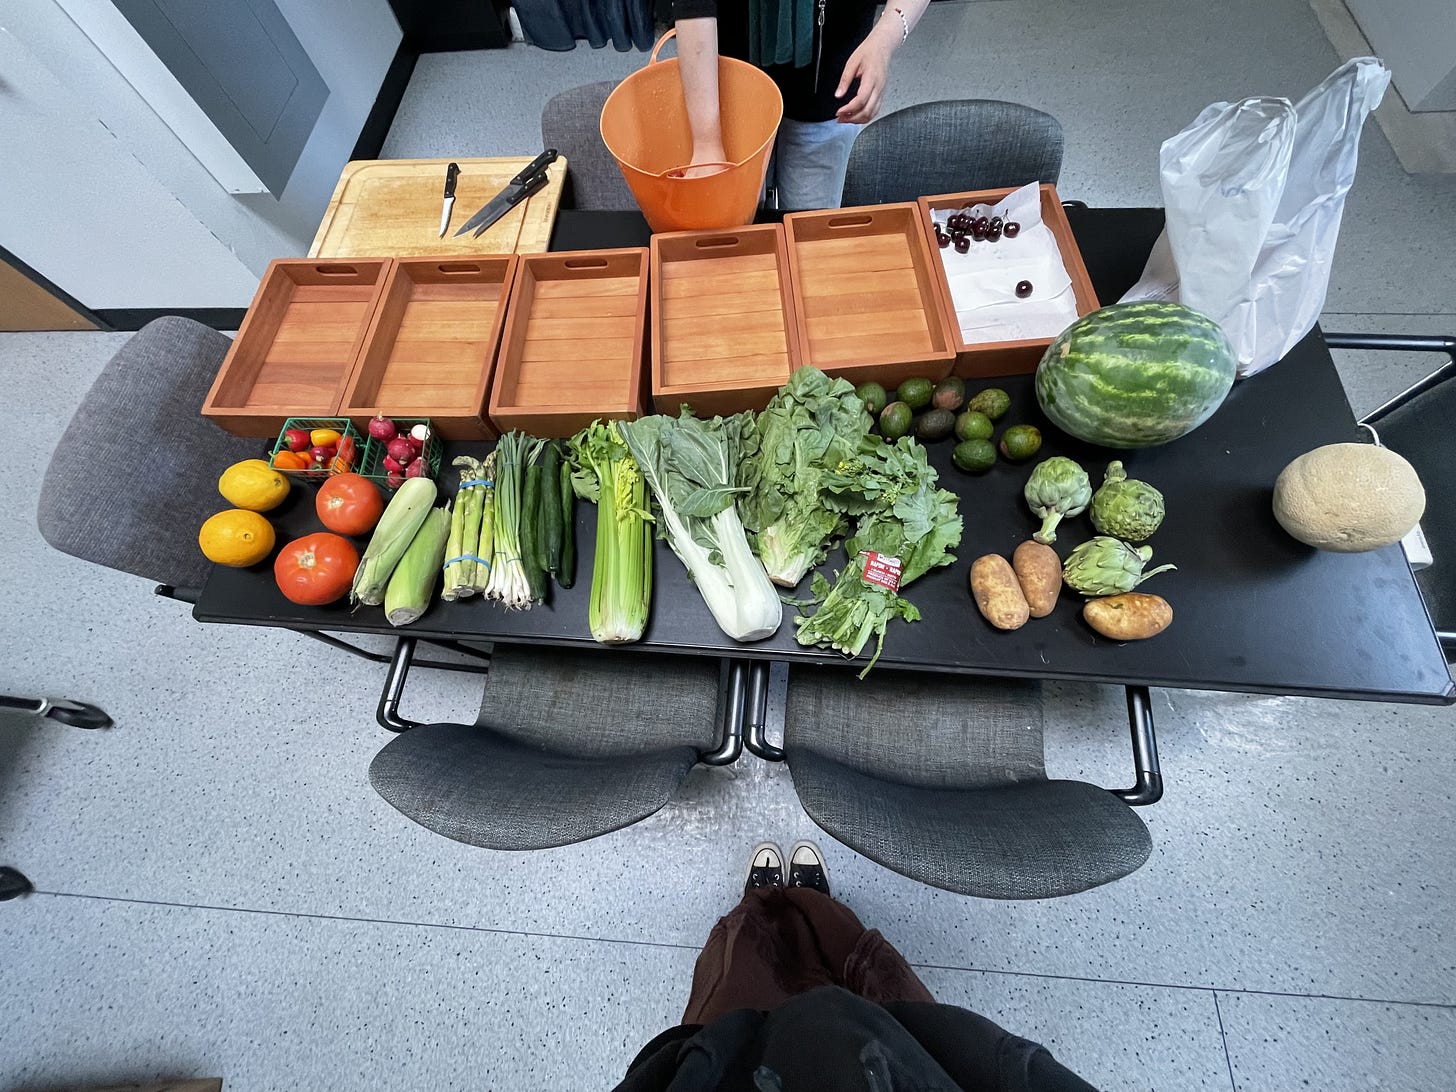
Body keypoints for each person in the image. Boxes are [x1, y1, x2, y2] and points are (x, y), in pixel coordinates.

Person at [612, 842, 1100, 1091]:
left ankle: (767, 904)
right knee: (870, 974)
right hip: (907, 1061)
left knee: (743, 972)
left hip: (736, 1071)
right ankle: (809, 904)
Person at [671, 0, 932, 209]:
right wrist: (706, 142)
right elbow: (694, 5)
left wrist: (884, 39)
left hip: (831, 84)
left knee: (810, 232)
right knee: (734, 225)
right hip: (729, 91)